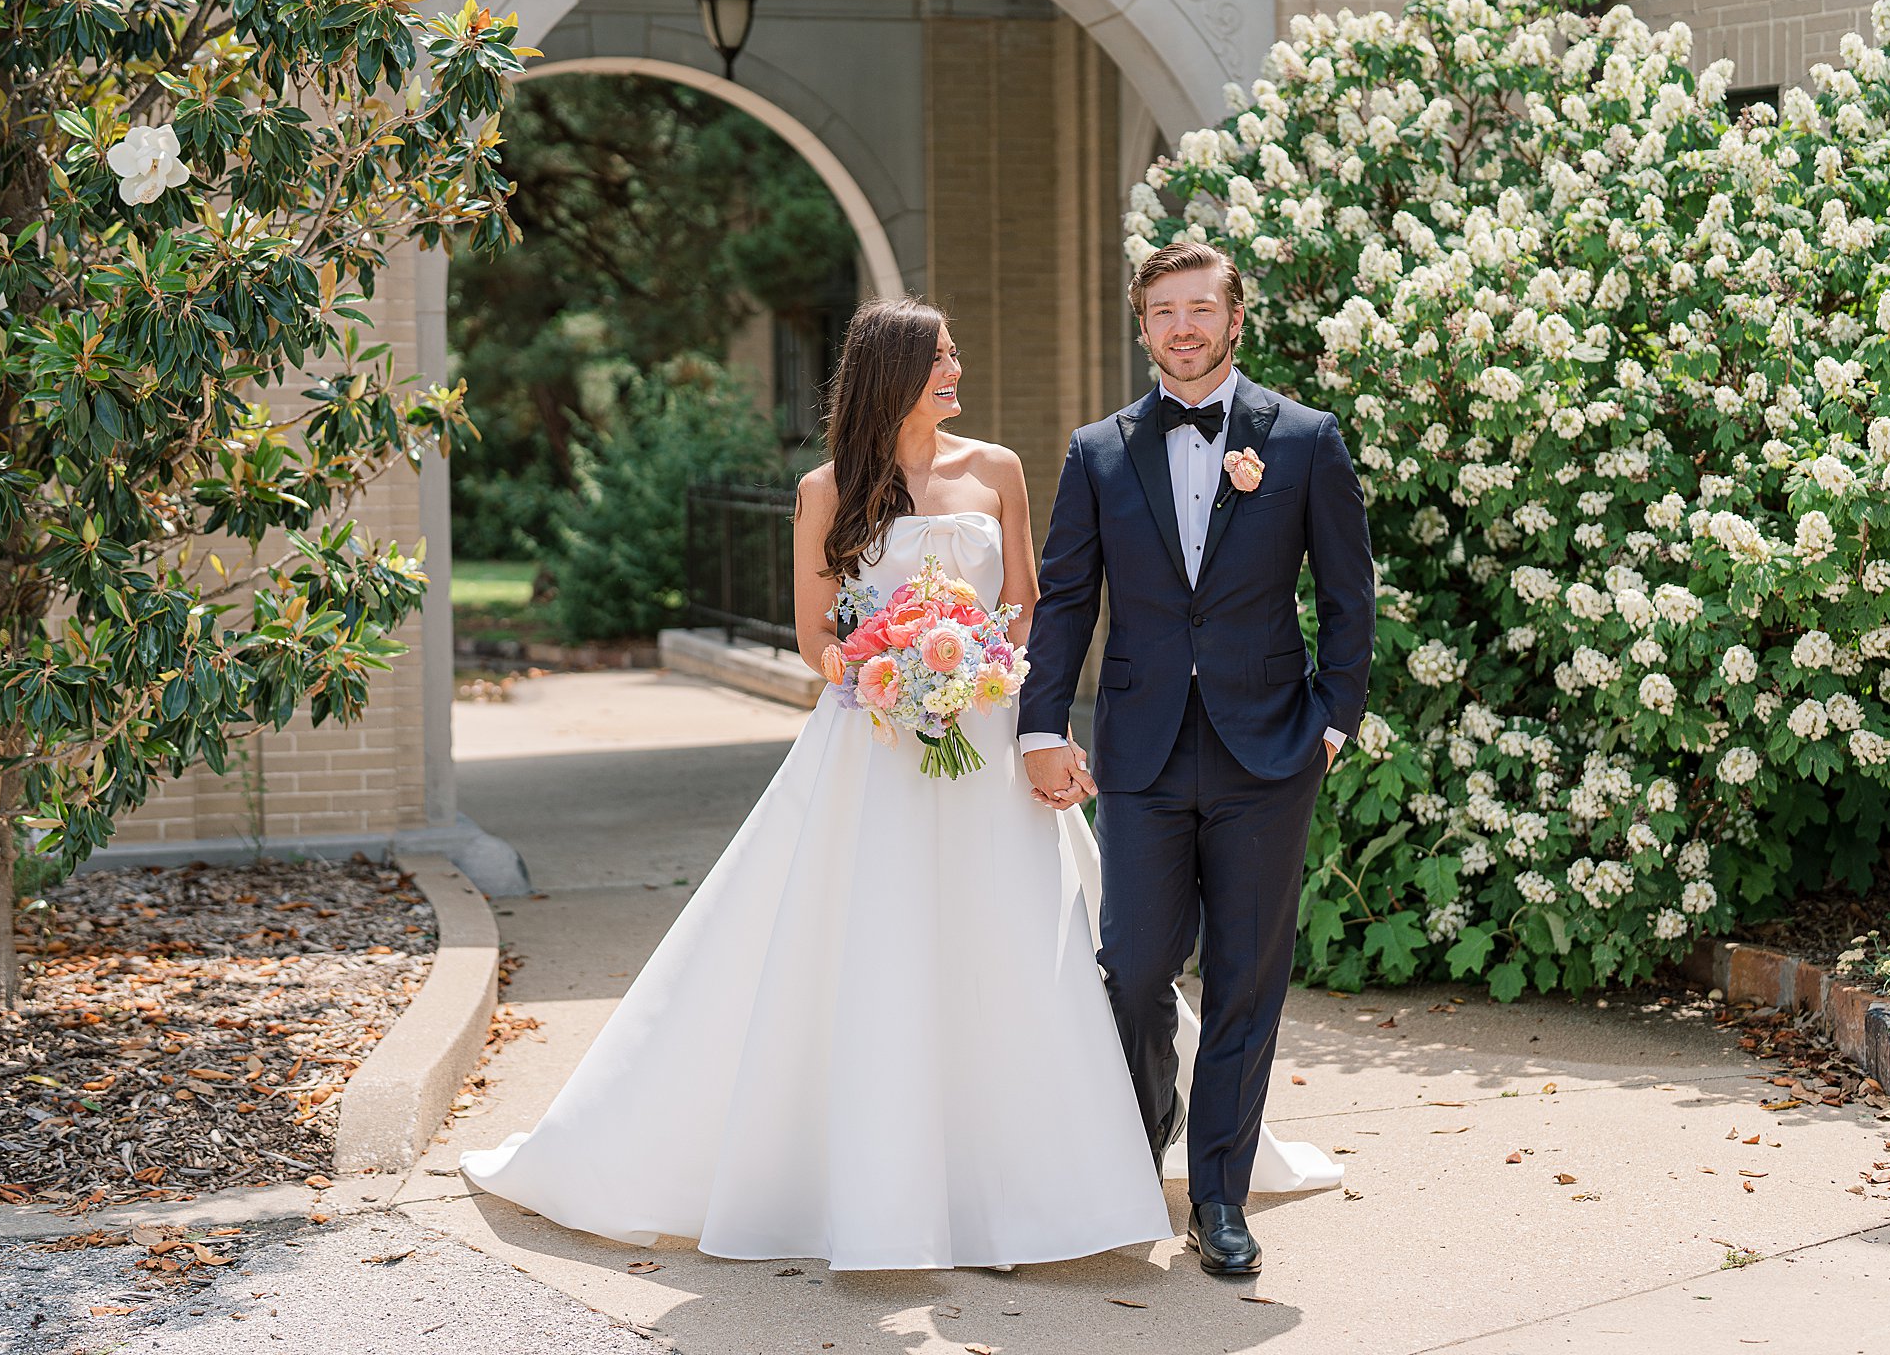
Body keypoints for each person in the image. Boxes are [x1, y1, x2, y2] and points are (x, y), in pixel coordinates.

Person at [458, 297, 1175, 1269]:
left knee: (1006, 934)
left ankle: (1034, 1185)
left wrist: (974, 668)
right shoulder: (824, 489)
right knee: (870, 941)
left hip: (984, 729)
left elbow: (1026, 606)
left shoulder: (996, 469)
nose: (956, 372)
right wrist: (890, 669)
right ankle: (878, 1183)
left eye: (956, 355)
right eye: (940, 359)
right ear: (892, 372)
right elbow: (812, 639)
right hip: (873, 739)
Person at [1019, 239, 1376, 1276]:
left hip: (1268, 749)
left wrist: (1332, 717)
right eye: (1161, 311)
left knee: (1246, 978)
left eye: (1198, 308)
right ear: (1142, 330)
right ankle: (1138, 1147)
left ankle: (1218, 1196)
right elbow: (1066, 603)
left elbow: (1348, 596)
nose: (1180, 326)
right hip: (1139, 754)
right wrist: (1044, 726)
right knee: (1131, 970)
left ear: (1232, 319)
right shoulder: (1096, 452)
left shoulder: (1303, 439)